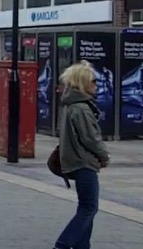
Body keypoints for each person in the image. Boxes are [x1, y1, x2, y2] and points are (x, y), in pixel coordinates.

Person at [54, 62, 111, 249]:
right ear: (83, 82)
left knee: (85, 207)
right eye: (93, 81)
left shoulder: (71, 105)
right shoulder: (81, 108)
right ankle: (62, 245)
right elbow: (90, 138)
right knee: (89, 207)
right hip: (83, 161)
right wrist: (104, 155)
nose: (96, 85)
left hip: (75, 160)